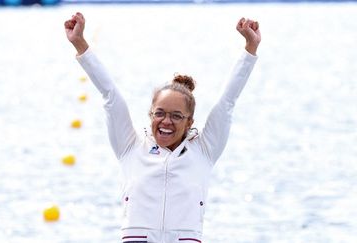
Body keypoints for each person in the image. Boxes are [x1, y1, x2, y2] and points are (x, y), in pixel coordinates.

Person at [64, 12, 261, 243]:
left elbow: (227, 101)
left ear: (190, 122)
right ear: (151, 115)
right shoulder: (130, 146)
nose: (166, 122)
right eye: (160, 114)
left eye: (176, 116)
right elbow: (111, 95)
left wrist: (250, 47)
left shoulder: (205, 150)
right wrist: (80, 43)